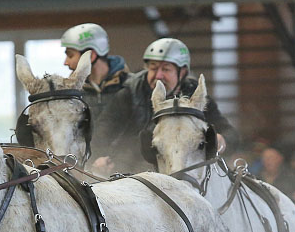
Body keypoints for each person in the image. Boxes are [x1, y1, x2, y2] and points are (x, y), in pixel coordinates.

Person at [90, 37, 239, 174]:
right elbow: (100, 134)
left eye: (166, 69)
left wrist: (222, 140)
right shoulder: (129, 94)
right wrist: (99, 158)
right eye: (153, 68)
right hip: (130, 171)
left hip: (183, 174)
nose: (158, 75)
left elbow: (230, 133)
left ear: (183, 73)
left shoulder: (196, 96)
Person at [60, 23, 130, 123]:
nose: (65, 62)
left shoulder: (132, 86)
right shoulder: (70, 92)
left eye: (70, 56)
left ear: (91, 56)